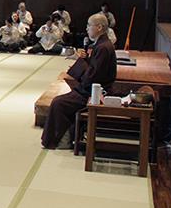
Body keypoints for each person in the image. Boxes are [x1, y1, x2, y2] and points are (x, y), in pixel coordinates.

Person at [41, 13, 117, 149]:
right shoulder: (101, 45)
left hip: (95, 93)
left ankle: (61, 141)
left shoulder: (103, 47)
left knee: (59, 103)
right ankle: (63, 138)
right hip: (90, 89)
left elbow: (93, 76)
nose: (87, 28)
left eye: (89, 25)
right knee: (61, 101)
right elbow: (93, 70)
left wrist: (81, 62)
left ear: (99, 27)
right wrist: (85, 59)